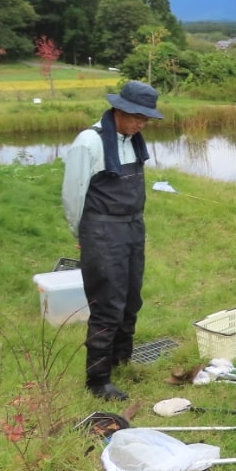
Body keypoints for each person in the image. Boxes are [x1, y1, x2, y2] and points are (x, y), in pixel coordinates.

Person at [61, 80, 163, 401]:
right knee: (107, 304)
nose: (141, 124)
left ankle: (121, 359)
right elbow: (73, 195)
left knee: (131, 299)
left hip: (132, 228)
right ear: (119, 109)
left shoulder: (133, 141)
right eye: (137, 116)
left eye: (146, 119)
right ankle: (98, 379)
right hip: (102, 230)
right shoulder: (89, 142)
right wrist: (83, 235)